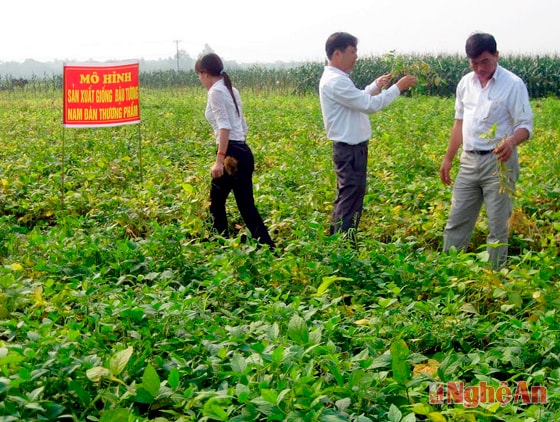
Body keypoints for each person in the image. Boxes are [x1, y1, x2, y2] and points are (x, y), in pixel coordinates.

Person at [439, 32, 533, 268]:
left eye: (485, 62)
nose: (479, 68)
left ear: (496, 56)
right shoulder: (465, 83)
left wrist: (511, 142)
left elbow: (525, 126)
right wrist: (448, 158)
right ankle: (448, 272)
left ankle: (494, 277)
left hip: (498, 163)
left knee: (497, 226)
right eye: (474, 63)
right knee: (456, 221)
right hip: (469, 161)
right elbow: (459, 123)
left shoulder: (512, 84)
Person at [319, 32, 417, 238]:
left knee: (347, 198)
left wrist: (375, 86)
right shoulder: (335, 81)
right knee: (350, 200)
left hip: (351, 150)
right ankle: (343, 246)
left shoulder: (338, 79)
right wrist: (398, 88)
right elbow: (370, 105)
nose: (356, 56)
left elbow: (358, 98)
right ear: (338, 54)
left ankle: (337, 241)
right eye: (352, 51)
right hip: (349, 150)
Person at [195, 53, 275, 248]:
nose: (199, 80)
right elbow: (242, 124)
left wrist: (220, 160)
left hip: (231, 154)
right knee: (244, 205)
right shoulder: (231, 89)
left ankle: (218, 243)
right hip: (242, 151)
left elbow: (224, 127)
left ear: (205, 73)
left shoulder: (215, 91)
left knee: (216, 202)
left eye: (199, 75)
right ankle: (266, 247)